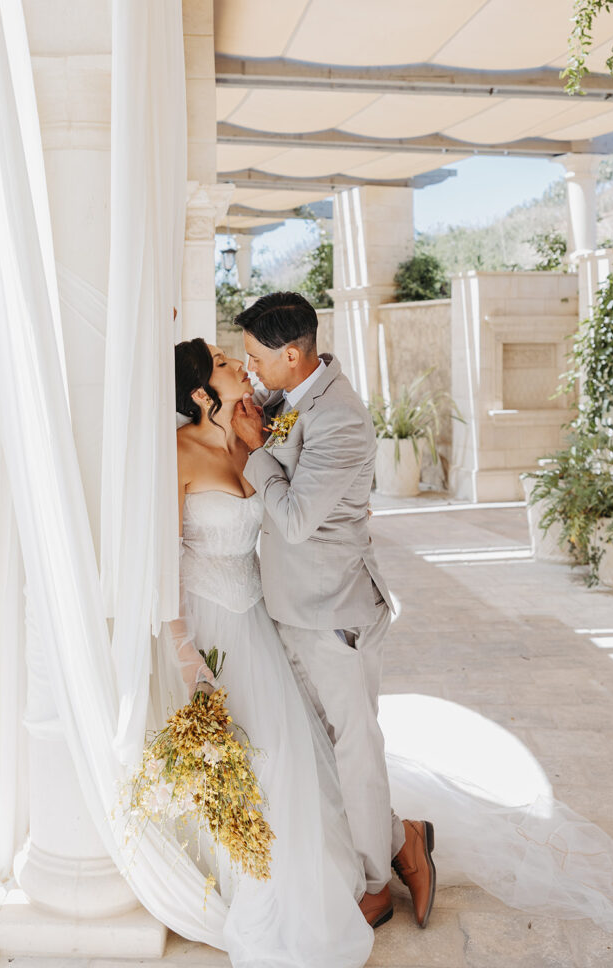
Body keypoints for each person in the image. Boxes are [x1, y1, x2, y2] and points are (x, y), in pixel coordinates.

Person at [161, 337, 375, 968]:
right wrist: (183, 652)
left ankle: (310, 878)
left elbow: (304, 417)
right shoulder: (176, 454)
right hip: (211, 627)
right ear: (201, 393)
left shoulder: (263, 428)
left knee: (290, 756)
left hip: (263, 616)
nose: (243, 369)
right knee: (251, 760)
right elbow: (163, 559)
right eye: (228, 365)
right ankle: (250, 884)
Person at [230, 292, 435, 930]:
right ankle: (401, 836)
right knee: (322, 746)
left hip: (336, 612)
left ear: (293, 355)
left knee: (355, 750)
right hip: (291, 606)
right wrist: (254, 423)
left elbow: (291, 519)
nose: (250, 369)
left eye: (256, 358)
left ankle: (377, 881)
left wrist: (251, 454)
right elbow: (278, 443)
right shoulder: (290, 397)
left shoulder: (341, 416)